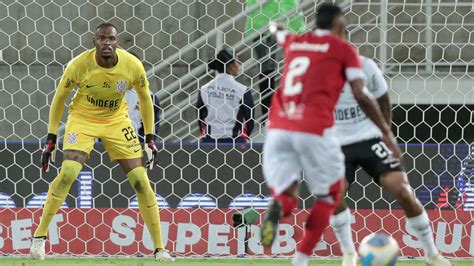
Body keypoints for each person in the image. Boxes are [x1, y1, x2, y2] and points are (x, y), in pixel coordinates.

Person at [259, 4, 401, 266]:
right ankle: (300, 259)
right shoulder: (343, 49)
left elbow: (277, 30)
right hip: (313, 129)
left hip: (277, 128)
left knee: (287, 192)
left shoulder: (295, 41)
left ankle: (280, 205)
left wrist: (273, 25)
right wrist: (386, 132)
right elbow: (361, 94)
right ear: (339, 25)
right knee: (330, 197)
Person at [30, 23, 174, 261]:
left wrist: (150, 139)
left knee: (140, 181)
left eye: (111, 39)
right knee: (67, 173)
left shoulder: (132, 65)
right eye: (102, 38)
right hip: (83, 120)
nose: (107, 42)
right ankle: (39, 238)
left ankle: (160, 249)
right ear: (94, 41)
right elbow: (59, 99)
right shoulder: (78, 65)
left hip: (117, 120)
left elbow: (146, 100)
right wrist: (51, 138)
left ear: (117, 42)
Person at [329, 45, 451, 266]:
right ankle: (349, 254)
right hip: (336, 143)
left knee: (403, 190)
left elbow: (384, 101)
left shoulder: (366, 67)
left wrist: (386, 134)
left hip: (369, 139)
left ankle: (432, 254)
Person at [245, 0, 305, 118]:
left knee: (296, 65)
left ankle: (290, 110)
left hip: (287, 19)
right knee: (268, 70)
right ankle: (268, 116)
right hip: (262, 24)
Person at [196, 47, 254, 144]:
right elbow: (249, 120)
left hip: (209, 142)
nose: (239, 65)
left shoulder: (204, 89)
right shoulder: (242, 90)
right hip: (235, 143)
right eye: (237, 62)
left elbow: (200, 117)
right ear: (231, 66)